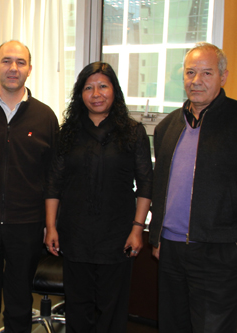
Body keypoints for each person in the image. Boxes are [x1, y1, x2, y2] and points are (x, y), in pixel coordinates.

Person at [45, 62, 153, 332]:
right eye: (88, 87)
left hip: (117, 235)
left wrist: (137, 228)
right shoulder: (67, 133)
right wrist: (50, 226)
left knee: (112, 308)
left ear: (114, 91)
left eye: (103, 86)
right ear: (80, 94)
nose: (96, 93)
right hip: (75, 233)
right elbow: (53, 184)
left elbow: (146, 184)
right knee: (78, 306)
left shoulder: (133, 132)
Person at [149, 42, 237, 333]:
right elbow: (160, 185)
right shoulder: (168, 127)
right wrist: (157, 236)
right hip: (170, 250)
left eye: (206, 73)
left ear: (223, 77)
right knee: (173, 324)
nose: (196, 81)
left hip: (218, 250)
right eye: (190, 73)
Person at [0, 40, 59, 333]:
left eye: (20, 62)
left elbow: (52, 178)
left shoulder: (45, 117)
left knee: (20, 299)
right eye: (6, 61)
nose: (13, 68)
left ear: (30, 69)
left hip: (27, 224)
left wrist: (50, 224)